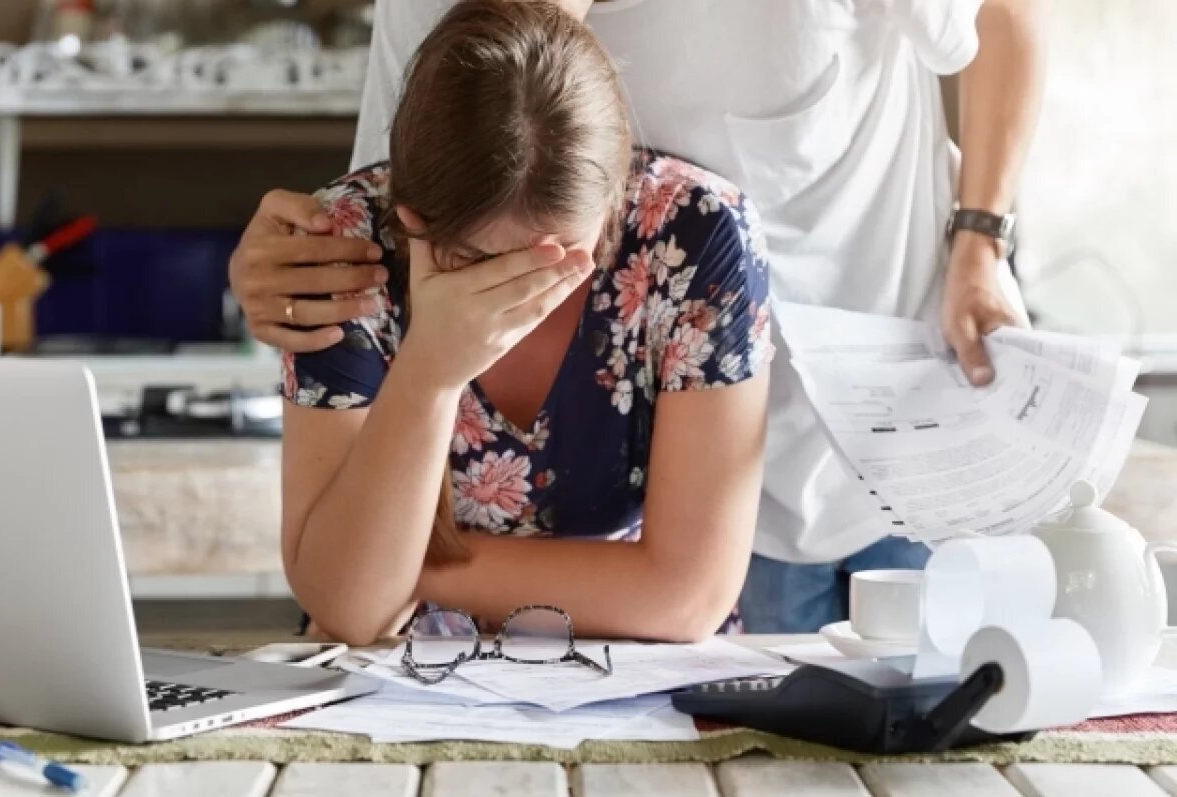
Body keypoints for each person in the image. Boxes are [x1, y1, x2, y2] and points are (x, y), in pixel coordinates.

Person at [230, 0, 1047, 633]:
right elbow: (405, 184)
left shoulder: (695, 226)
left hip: (861, 403)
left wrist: (983, 237)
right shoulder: (422, 204)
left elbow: (1004, 20)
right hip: (676, 467)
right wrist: (298, 268)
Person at [277, 0, 773, 645]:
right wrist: (429, 373)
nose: (526, 291)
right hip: (405, 686)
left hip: (642, 681)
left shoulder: (698, 233)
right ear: (412, 222)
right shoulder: (345, 242)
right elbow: (349, 613)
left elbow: (686, 599)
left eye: (563, 258)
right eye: (481, 261)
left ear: (612, 199)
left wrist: (400, 569)